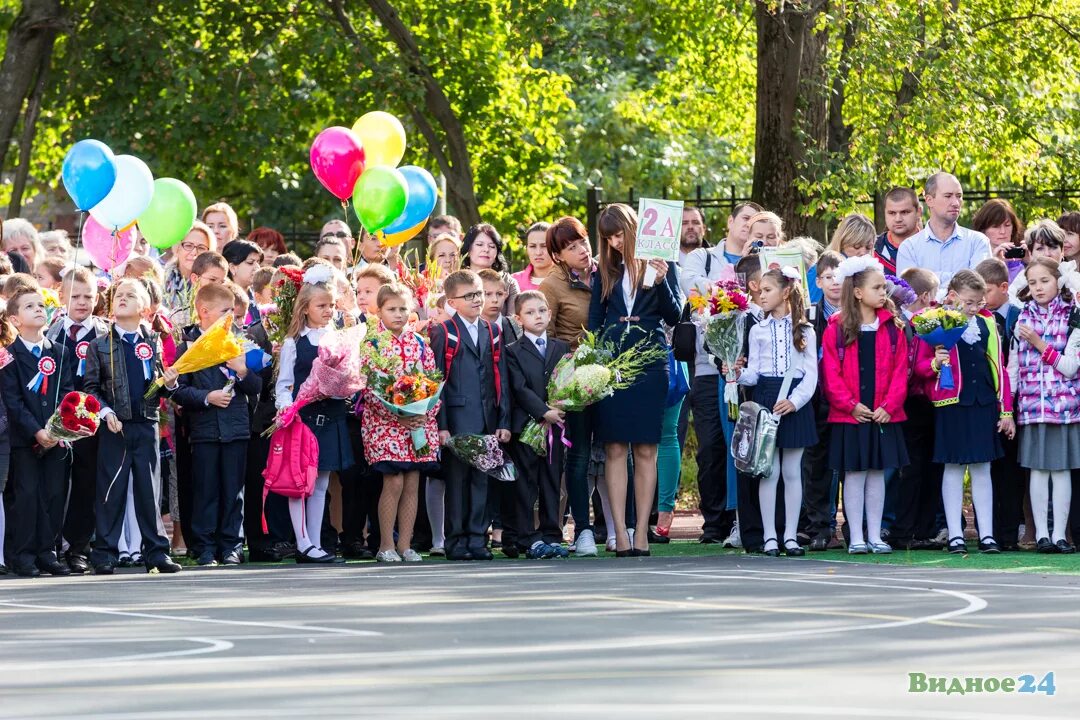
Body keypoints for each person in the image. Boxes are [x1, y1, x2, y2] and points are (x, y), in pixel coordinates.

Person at [588, 203, 682, 557]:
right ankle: (621, 533)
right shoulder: (604, 271)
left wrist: (660, 283)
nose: (614, 242)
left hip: (651, 362)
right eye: (608, 237)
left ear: (634, 229)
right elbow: (595, 320)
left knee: (646, 448)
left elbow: (674, 315)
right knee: (614, 447)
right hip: (613, 364)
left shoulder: (661, 264)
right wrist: (593, 365)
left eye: (619, 234)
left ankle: (642, 530)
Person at [83, 279, 182, 574]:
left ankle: (156, 552)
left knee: (148, 490)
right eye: (118, 295)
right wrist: (105, 411)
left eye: (130, 295)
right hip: (116, 427)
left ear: (145, 308)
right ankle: (105, 552)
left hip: (147, 424)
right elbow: (91, 388)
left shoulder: (151, 342)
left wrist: (170, 383)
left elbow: (158, 385)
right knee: (111, 489)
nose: (122, 299)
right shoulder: (100, 345)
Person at [914, 270, 1013, 554]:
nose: (974, 308)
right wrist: (935, 363)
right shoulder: (934, 322)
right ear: (953, 296)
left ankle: (987, 534)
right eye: (969, 302)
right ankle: (955, 534)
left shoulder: (987, 324)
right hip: (952, 405)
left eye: (978, 302)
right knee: (953, 467)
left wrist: (1005, 410)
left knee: (983, 468)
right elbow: (919, 369)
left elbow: (999, 368)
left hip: (982, 403)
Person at [821, 256, 909, 554]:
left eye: (885, 287)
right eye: (877, 287)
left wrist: (890, 405)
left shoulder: (894, 328)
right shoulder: (836, 328)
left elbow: (901, 372)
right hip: (852, 416)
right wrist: (850, 405)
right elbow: (830, 374)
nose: (884, 292)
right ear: (858, 292)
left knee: (877, 474)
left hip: (883, 414)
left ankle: (875, 535)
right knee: (855, 475)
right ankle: (856, 535)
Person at [173, 283, 262, 566]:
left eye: (233, 313)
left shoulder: (240, 341)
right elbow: (178, 389)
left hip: (236, 428)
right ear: (204, 312)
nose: (230, 319)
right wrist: (206, 397)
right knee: (205, 490)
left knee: (234, 491)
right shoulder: (188, 346)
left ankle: (231, 545)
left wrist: (243, 370)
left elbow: (256, 386)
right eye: (225, 312)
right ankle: (205, 546)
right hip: (205, 430)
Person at [734, 267, 818, 557]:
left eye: (768, 290)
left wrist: (795, 401)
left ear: (785, 292)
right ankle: (770, 536)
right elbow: (754, 373)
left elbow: (811, 375)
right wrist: (737, 373)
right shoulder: (757, 329)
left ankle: (790, 535)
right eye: (760, 291)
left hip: (794, 403)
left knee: (793, 471)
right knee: (768, 471)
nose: (761, 294)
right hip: (766, 399)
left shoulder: (805, 330)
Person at [429, 270, 511, 561]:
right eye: (470, 296)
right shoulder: (444, 331)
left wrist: (503, 420)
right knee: (458, 481)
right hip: (458, 418)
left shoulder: (492, 330)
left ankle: (478, 538)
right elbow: (438, 382)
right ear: (452, 301)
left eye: (479, 293)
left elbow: (501, 377)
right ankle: (456, 540)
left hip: (487, 417)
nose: (478, 300)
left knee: (482, 480)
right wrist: (442, 426)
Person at [274, 263, 352, 563]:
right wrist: (285, 407)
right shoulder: (295, 342)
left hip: (331, 415)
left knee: (321, 482)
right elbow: (284, 384)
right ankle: (302, 541)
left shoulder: (339, 339)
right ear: (305, 308)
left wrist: (343, 385)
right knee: (300, 483)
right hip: (303, 419)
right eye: (322, 305)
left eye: (332, 305)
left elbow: (347, 377)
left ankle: (315, 543)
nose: (329, 310)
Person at [0, 287, 76, 576]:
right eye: (29, 306)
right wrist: (36, 432)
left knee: (54, 496)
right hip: (25, 441)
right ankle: (24, 555)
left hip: (56, 439)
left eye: (41, 305)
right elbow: (13, 400)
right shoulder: (8, 356)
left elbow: (67, 394)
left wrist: (57, 430)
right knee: (27, 495)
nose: (38, 309)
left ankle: (48, 552)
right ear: (15, 319)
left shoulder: (59, 352)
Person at [362, 284, 440, 563]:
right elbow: (368, 388)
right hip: (385, 424)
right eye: (391, 309)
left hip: (418, 424)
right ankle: (386, 544)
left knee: (412, 483)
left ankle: (406, 544)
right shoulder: (372, 344)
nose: (398, 314)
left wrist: (424, 412)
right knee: (392, 481)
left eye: (403, 309)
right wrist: (396, 414)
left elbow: (433, 380)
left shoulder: (420, 343)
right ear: (378, 310)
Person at [1008, 258, 1080, 554]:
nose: (1038, 288)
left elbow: (1070, 367)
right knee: (1037, 471)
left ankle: (1060, 534)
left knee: (1060, 470)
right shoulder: (1020, 317)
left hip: (1063, 409)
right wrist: (1006, 409)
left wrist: (1039, 344)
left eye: (1045, 281)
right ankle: (1042, 536)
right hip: (1031, 408)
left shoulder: (1073, 317)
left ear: (1058, 282)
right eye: (1033, 282)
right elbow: (1012, 367)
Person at [537, 217, 599, 555]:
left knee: (619, 452)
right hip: (574, 382)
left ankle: (622, 526)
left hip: (611, 373)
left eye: (583, 242)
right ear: (558, 255)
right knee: (578, 457)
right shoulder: (552, 285)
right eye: (571, 247)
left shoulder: (605, 272)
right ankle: (583, 530)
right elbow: (546, 339)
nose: (581, 250)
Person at [45, 267, 109, 574]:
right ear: (61, 296)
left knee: (86, 485)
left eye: (88, 296)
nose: (82, 302)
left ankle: (79, 548)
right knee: (56, 485)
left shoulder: (105, 335)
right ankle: (51, 545)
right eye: (75, 296)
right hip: (57, 423)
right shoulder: (51, 333)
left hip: (91, 424)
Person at [505, 291, 571, 559]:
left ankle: (551, 533)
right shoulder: (513, 351)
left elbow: (568, 380)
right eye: (530, 312)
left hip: (556, 427)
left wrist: (564, 405)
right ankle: (526, 536)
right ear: (518, 319)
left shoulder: (561, 347)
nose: (538, 316)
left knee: (552, 480)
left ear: (550, 313)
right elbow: (519, 388)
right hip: (527, 425)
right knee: (526, 482)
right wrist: (544, 411)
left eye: (542, 311)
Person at [976, 258, 1025, 551]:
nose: (982, 299)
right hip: (984, 406)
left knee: (1010, 472)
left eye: (988, 291)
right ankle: (988, 531)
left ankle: (1009, 532)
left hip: (1015, 405)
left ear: (1004, 288)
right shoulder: (976, 319)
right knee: (987, 469)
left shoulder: (1019, 317)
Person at [802, 250, 843, 551]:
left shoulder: (858, 315)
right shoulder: (809, 315)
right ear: (818, 281)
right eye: (828, 277)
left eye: (839, 277)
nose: (834, 283)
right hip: (816, 399)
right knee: (816, 463)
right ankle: (820, 526)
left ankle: (854, 525)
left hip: (848, 398)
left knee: (849, 464)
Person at [895, 173, 991, 286]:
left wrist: (932, 282)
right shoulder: (909, 248)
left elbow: (979, 288)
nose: (955, 203)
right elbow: (910, 295)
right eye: (948, 196)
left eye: (959, 196)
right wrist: (960, 281)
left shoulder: (977, 242)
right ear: (929, 200)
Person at [460, 223, 519, 314]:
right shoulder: (457, 280)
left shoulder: (508, 282)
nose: (486, 250)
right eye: (480, 244)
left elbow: (515, 321)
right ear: (468, 249)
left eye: (492, 246)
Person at [164, 221, 216, 310]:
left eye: (201, 248)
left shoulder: (216, 283)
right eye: (188, 245)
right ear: (178, 248)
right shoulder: (161, 279)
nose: (194, 252)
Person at [875, 187, 922, 275]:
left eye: (904, 212)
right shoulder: (872, 249)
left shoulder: (932, 247)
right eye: (892, 213)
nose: (898, 219)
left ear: (919, 212)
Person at [972, 199, 1025, 275]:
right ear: (983, 229)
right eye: (996, 226)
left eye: (1007, 225)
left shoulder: (1021, 257)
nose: (1003, 231)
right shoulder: (973, 257)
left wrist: (1029, 263)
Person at [221, 239, 264, 325]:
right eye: (250, 262)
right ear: (233, 268)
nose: (257, 267)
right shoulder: (221, 298)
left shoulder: (260, 295)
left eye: (258, 262)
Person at [479, 268, 521, 342]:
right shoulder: (467, 328)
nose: (495, 300)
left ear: (506, 295)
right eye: (488, 294)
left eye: (499, 294)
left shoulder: (516, 327)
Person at [512, 222, 554, 291]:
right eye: (532, 246)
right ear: (527, 249)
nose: (538, 252)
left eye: (544, 246)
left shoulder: (568, 281)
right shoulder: (513, 282)